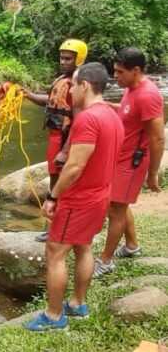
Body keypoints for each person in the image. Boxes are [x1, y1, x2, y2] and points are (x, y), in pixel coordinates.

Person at [25, 63, 124, 332]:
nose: (70, 91)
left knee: (55, 252)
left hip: (78, 199)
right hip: (100, 194)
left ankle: (54, 315)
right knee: (84, 247)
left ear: (85, 86)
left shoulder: (89, 119)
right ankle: (78, 303)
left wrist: (53, 196)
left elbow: (75, 166)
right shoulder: (113, 116)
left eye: (74, 85)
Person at [94, 48, 165, 277]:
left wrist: (153, 173)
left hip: (132, 162)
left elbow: (157, 137)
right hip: (120, 157)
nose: (116, 76)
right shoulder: (130, 88)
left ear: (136, 70)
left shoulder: (148, 95)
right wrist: (106, 106)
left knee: (115, 209)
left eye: (120, 72)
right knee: (117, 205)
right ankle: (132, 245)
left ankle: (106, 261)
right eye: (114, 71)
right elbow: (129, 114)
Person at [24, 39, 88, 242]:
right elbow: (51, 100)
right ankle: (55, 226)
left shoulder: (76, 85)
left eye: (68, 58)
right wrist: (28, 95)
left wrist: (65, 150)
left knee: (60, 184)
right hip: (54, 137)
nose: (63, 61)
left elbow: (77, 119)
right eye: (62, 57)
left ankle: (58, 228)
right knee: (54, 181)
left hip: (63, 139)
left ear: (79, 60)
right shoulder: (62, 79)